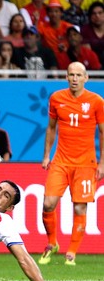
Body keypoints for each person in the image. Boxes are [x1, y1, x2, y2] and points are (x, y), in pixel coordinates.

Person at [39, 62, 104, 266]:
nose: (74, 78)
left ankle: (72, 252)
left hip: (86, 163)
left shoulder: (96, 101)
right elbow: (51, 128)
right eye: (71, 75)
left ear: (86, 78)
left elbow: (103, 132)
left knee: (79, 208)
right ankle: (52, 243)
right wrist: (46, 155)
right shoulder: (57, 98)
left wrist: (102, 163)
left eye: (78, 75)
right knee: (48, 203)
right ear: (66, 77)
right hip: (60, 161)